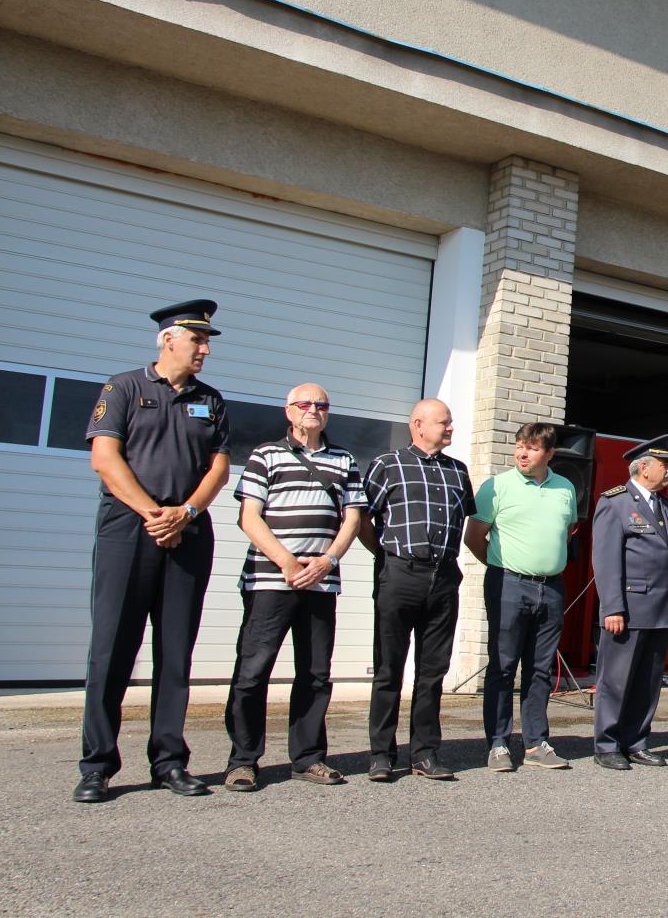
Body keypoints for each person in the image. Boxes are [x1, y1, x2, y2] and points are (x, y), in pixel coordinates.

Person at [73, 300, 232, 803]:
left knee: (175, 652)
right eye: (198, 341)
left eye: (207, 342)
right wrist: (152, 513)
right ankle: (97, 766)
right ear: (169, 339)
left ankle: (169, 762)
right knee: (112, 649)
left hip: (187, 532)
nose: (205, 350)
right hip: (129, 530)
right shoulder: (123, 388)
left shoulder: (212, 399)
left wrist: (184, 513)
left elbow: (219, 469)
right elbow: (105, 457)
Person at [223, 383, 365, 792]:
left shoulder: (344, 460)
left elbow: (352, 518)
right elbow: (249, 518)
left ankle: (308, 759)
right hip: (270, 580)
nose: (314, 410)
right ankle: (243, 761)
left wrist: (328, 560)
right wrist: (286, 562)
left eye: (321, 405)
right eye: (305, 404)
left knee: (316, 675)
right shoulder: (265, 455)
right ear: (288, 411)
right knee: (252, 672)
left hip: (321, 584)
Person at [361, 398, 475, 781]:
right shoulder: (386, 466)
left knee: (432, 672)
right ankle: (381, 753)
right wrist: (387, 556)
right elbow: (362, 519)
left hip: (443, 578)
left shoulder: (458, 472)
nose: (450, 429)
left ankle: (424, 752)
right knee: (388, 668)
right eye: (444, 423)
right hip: (400, 574)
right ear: (418, 425)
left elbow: (467, 522)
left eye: (450, 422)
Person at [464, 422, 579, 772]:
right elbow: (474, 537)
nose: (522, 453)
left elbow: (569, 531)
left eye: (531, 447)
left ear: (550, 453)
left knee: (540, 669)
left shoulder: (565, 488)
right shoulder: (497, 486)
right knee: (503, 666)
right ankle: (498, 744)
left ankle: (535, 743)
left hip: (552, 587)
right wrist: (504, 567)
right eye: (519, 446)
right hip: (509, 584)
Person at [589, 437, 668, 769]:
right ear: (644, 468)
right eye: (664, 465)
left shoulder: (664, 505)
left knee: (647, 681)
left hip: (659, 608)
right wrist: (612, 607)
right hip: (628, 608)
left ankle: (637, 740)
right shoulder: (614, 502)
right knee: (616, 681)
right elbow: (606, 559)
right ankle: (607, 744)